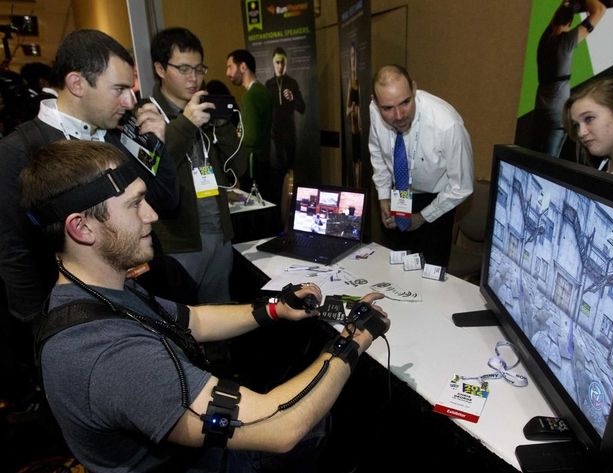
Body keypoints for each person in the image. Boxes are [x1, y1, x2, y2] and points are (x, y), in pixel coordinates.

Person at [20, 139, 390, 472]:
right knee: (322, 423)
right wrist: (354, 338)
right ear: (81, 228)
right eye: (135, 205)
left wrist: (276, 308)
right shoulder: (107, 355)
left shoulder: (97, 290)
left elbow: (192, 319)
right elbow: (282, 426)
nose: (151, 215)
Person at [0, 29, 178, 328]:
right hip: (76, 317)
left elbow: (167, 201)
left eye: (131, 89)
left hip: (137, 300)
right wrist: (39, 330)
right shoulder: (18, 151)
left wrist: (157, 146)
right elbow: (14, 253)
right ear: (77, 83)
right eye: (119, 89)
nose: (130, 100)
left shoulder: (119, 135)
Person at [150, 27, 247, 303]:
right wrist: (186, 124)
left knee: (221, 319)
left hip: (219, 235)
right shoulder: (147, 114)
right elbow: (153, 171)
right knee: (183, 325)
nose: (194, 78)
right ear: (160, 68)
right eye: (183, 69)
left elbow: (236, 170)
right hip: (179, 244)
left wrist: (223, 126)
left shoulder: (205, 110)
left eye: (199, 68)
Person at [368, 65, 474, 268]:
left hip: (436, 201)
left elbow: (462, 186)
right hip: (399, 193)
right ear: (375, 102)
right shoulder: (374, 110)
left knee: (430, 276)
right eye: (387, 108)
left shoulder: (447, 124)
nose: (398, 115)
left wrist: (424, 216)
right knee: (393, 268)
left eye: (405, 102)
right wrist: (383, 195)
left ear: (414, 89)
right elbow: (377, 151)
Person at [532, 0, 606, 157]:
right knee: (551, 159)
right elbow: (599, 10)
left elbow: (557, 17)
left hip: (540, 107)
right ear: (570, 22)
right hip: (557, 111)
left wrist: (566, 4)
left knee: (536, 154)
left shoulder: (544, 41)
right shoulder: (566, 41)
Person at [226, 49, 275, 206]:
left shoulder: (251, 96)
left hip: (253, 166)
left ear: (242, 67)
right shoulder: (262, 91)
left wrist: (234, 140)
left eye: (230, 67)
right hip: (263, 162)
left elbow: (251, 137)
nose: (227, 73)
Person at [265, 47, 305, 176]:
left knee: (291, 171)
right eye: (277, 62)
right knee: (278, 171)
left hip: (290, 133)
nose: (280, 65)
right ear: (273, 63)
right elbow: (265, 111)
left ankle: (291, 195)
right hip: (275, 134)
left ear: (286, 63)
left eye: (283, 62)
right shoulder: (268, 84)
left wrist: (293, 98)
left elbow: (302, 108)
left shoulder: (292, 83)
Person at [345, 42, 362, 188]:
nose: (353, 59)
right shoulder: (350, 82)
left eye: (354, 56)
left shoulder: (360, 81)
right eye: (351, 56)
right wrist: (353, 108)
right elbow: (346, 110)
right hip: (353, 130)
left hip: (361, 130)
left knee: (360, 165)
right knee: (354, 162)